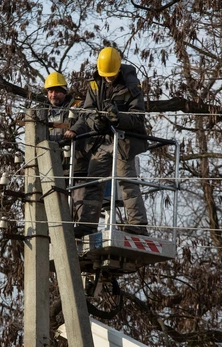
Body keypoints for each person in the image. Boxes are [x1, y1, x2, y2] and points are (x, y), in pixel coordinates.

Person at [64, 47, 149, 237]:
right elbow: (87, 113)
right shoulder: (95, 84)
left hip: (124, 141)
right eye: (105, 75)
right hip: (102, 140)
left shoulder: (132, 87)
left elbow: (137, 118)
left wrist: (118, 118)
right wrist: (97, 122)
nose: (108, 78)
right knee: (94, 182)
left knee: (126, 182)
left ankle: (138, 224)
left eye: (111, 75)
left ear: (119, 69)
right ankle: (87, 224)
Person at [37, 72, 89, 221]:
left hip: (77, 165)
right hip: (54, 167)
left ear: (65, 92)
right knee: (57, 210)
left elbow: (84, 121)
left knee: (80, 205)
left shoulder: (78, 106)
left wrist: (73, 130)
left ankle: (82, 232)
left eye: (57, 91)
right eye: (50, 91)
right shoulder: (43, 112)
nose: (53, 95)